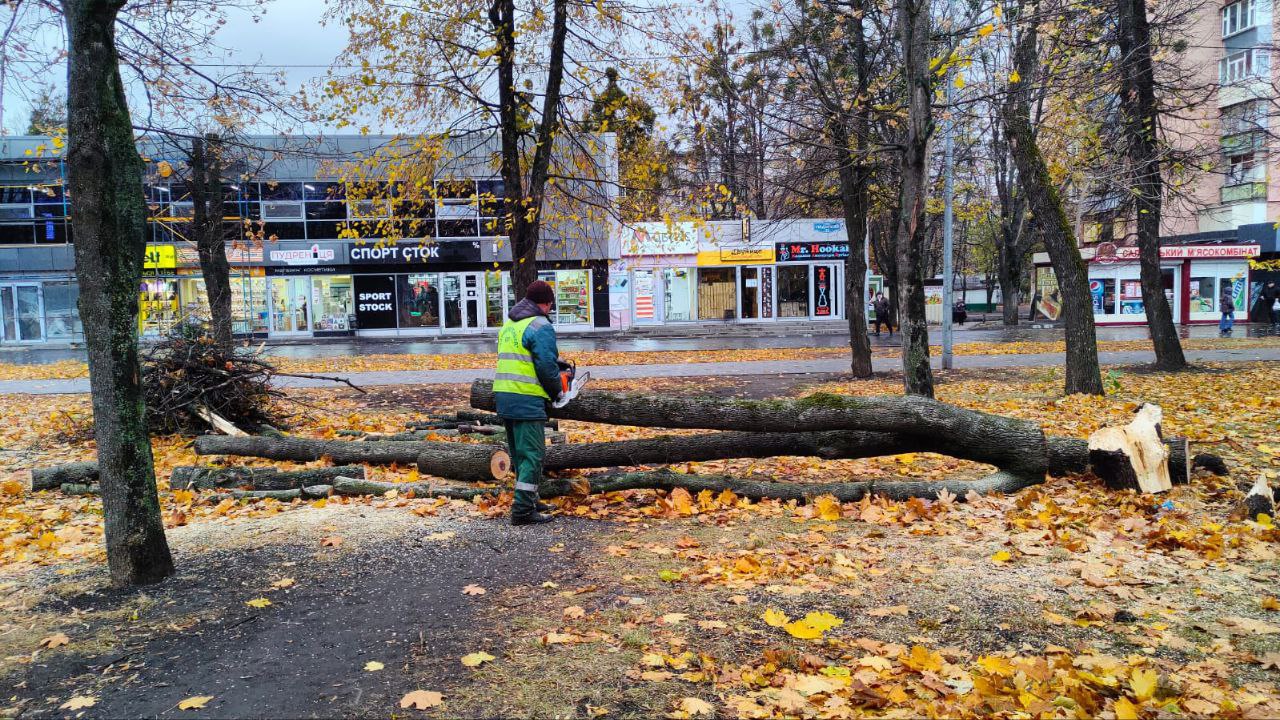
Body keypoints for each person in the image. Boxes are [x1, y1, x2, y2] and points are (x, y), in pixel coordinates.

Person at [493, 280, 563, 526]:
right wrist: (557, 391)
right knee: (533, 455)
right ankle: (522, 510)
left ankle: (530, 498)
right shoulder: (540, 325)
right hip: (525, 397)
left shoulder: (510, 324)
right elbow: (545, 366)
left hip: (504, 395)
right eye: (550, 306)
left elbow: (523, 358)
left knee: (520, 455)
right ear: (546, 303)